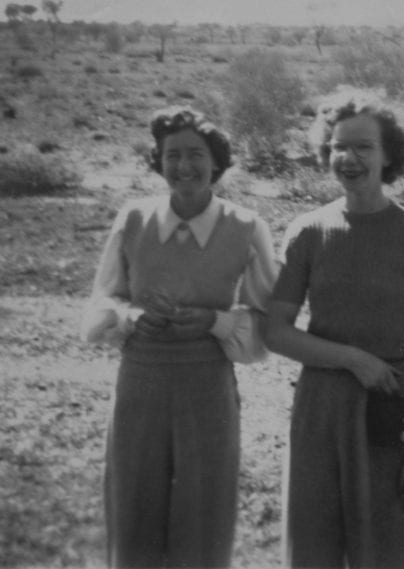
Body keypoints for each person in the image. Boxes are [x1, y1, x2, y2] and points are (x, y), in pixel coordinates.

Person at [80, 105, 278, 569]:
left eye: (195, 155)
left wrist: (217, 323)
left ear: (217, 162)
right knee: (132, 508)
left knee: (205, 511)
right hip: (140, 381)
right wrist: (128, 319)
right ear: (158, 161)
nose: (184, 167)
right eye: (172, 156)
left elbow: (268, 321)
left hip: (207, 384)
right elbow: (99, 303)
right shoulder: (133, 218)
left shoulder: (247, 227)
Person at [264, 95, 404, 569]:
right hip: (319, 408)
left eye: (364, 146)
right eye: (338, 147)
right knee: (311, 551)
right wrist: (353, 359)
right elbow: (275, 331)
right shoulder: (308, 230)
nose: (349, 158)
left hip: (388, 409)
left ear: (390, 154)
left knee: (382, 552)